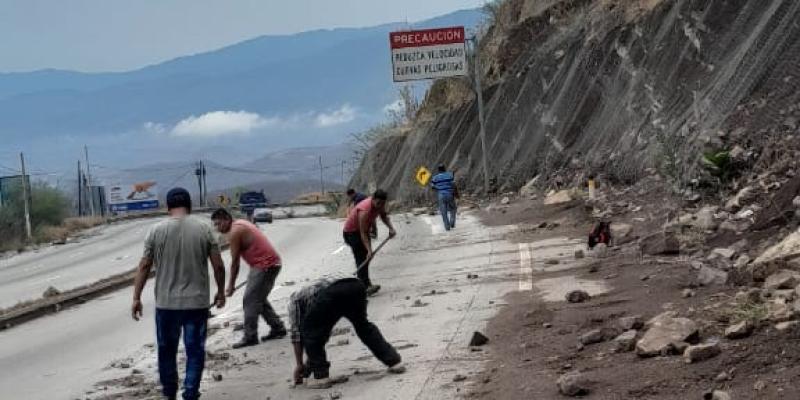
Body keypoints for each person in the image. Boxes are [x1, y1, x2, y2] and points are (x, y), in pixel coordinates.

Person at [131, 188, 226, 400]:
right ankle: (190, 393)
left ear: (168, 208)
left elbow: (144, 266)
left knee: (166, 351)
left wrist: (136, 297)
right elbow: (218, 266)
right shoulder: (204, 228)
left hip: (166, 305)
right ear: (190, 206)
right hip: (196, 304)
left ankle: (169, 395)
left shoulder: (155, 231)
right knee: (194, 351)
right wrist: (220, 292)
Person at [289, 276, 405, 388]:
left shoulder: (295, 301)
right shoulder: (311, 297)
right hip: (356, 285)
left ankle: (320, 377)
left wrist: (299, 364)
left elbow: (297, 335)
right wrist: (310, 362)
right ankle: (394, 362)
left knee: (310, 332)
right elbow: (323, 331)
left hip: (332, 292)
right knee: (363, 326)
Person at [211, 208, 287, 349]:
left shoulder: (235, 232)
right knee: (258, 299)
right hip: (268, 264)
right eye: (215, 225)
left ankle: (250, 336)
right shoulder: (240, 224)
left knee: (250, 300)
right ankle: (278, 328)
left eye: (219, 223)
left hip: (265, 265)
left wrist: (231, 286)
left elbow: (235, 263)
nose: (217, 228)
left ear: (227, 219)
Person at [342, 189, 396, 296]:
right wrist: (369, 249)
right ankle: (364, 287)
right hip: (351, 233)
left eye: (382, 203)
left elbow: (384, 216)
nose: (380, 206)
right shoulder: (365, 210)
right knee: (362, 257)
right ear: (373, 199)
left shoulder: (380, 205)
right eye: (378, 203)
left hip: (361, 231)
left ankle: (364, 284)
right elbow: (363, 232)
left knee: (366, 257)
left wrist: (391, 228)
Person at [430, 165, 458, 231]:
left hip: (441, 195)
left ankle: (447, 228)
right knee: (453, 208)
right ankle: (452, 222)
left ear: (438, 170)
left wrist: (437, 188)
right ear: (445, 169)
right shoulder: (450, 175)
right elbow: (453, 184)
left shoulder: (435, 177)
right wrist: (455, 192)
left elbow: (432, 186)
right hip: (449, 194)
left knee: (443, 212)